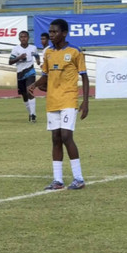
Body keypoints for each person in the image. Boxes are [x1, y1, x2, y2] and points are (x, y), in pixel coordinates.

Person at [28, 19, 89, 191]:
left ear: (64, 33)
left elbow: (84, 77)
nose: (51, 35)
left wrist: (85, 101)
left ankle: (78, 178)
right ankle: (58, 180)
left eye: (54, 32)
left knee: (66, 136)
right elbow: (46, 76)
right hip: (52, 100)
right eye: (50, 32)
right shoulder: (48, 53)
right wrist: (34, 84)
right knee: (55, 138)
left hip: (69, 99)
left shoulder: (75, 52)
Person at [9, 30, 40, 122]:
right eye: (21, 37)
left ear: (28, 38)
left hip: (30, 72)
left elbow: (36, 55)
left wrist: (38, 60)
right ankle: (30, 113)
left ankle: (33, 115)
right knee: (24, 95)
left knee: (29, 90)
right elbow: (10, 62)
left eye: (25, 37)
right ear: (19, 38)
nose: (23, 38)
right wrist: (19, 57)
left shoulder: (33, 48)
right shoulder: (16, 49)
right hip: (20, 74)